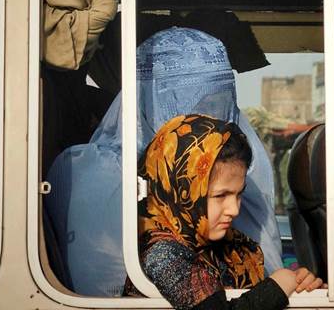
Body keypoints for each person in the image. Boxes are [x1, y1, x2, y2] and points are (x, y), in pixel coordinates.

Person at [43, 27, 282, 296]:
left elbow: (264, 269)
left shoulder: (234, 168)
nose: (209, 127)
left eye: (219, 106)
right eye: (194, 108)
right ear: (147, 102)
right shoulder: (92, 176)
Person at [126, 115, 321, 309]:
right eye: (220, 196)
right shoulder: (162, 252)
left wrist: (301, 288)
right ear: (181, 190)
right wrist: (278, 286)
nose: (234, 210)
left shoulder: (228, 248)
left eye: (238, 194)